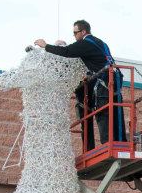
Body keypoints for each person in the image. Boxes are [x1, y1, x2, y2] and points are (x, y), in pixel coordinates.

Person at [34, 19, 125, 149]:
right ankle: (121, 142)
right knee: (116, 109)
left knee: (103, 112)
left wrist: (46, 46)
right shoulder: (100, 42)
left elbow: (67, 52)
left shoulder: (85, 44)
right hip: (114, 78)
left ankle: (108, 145)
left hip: (105, 81)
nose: (74, 36)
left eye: (75, 33)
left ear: (83, 31)